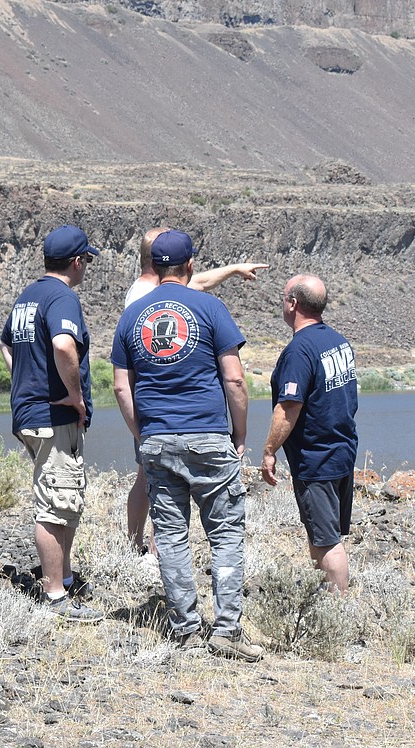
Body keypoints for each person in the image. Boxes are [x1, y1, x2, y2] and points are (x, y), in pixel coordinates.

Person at [112, 230, 262, 662]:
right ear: (191, 265)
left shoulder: (131, 316)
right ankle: (227, 630)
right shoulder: (211, 308)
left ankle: (187, 630)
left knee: (173, 535)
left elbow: (123, 388)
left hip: (158, 438)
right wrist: (239, 434)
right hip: (209, 435)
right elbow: (234, 378)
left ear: (155, 268)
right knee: (226, 533)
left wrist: (143, 435)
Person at [123, 226, 268, 555]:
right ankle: (147, 548)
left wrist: (233, 269)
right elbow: (235, 379)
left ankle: (143, 547)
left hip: (153, 411)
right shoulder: (144, 298)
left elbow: (196, 282)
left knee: (149, 474)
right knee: (155, 481)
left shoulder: (153, 289)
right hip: (163, 410)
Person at [0, 224, 103, 623]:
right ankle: (55, 595)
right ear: (77, 261)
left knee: (65, 498)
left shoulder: (29, 295)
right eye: (86, 261)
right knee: (54, 503)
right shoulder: (62, 297)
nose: (86, 268)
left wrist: (25, 380)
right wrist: (74, 394)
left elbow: (7, 343)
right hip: (52, 415)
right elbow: (63, 345)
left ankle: (65, 576)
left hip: (31, 413)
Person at [261, 274, 358, 595]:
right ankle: (329, 603)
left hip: (317, 461)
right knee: (325, 535)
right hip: (341, 452)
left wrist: (270, 450)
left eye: (283, 296)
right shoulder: (338, 341)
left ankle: (339, 616)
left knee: (327, 541)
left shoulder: (299, 351)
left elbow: (288, 408)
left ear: (293, 303)